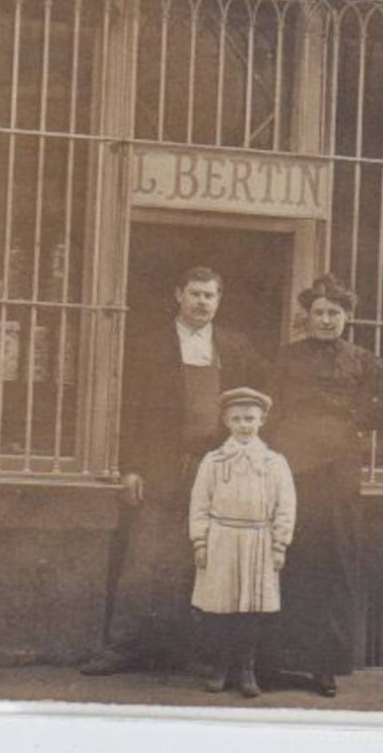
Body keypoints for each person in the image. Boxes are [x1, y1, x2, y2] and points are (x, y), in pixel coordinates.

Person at [80, 266, 271, 676]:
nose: (203, 302)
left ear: (219, 302)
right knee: (144, 558)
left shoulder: (235, 347)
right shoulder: (150, 344)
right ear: (178, 295)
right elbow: (127, 407)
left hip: (214, 468)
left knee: (203, 560)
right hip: (161, 464)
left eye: (211, 296)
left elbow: (267, 393)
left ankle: (192, 654)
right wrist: (130, 466)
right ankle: (122, 649)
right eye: (196, 294)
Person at [266, 274, 383, 697]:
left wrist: (356, 419)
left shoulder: (361, 359)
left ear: (347, 317)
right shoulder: (287, 358)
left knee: (333, 559)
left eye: (335, 313)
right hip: (291, 466)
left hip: (337, 471)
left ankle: (324, 667)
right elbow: (270, 407)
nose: (326, 320)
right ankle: (279, 662)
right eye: (319, 313)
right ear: (307, 317)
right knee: (289, 555)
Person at [188, 387, 296, 699]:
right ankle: (220, 668)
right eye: (237, 419)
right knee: (220, 608)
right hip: (221, 538)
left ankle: (247, 670)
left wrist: (279, 545)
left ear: (262, 420)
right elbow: (199, 503)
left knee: (251, 609)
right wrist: (200, 541)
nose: (244, 425)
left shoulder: (274, 462)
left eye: (250, 418)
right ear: (225, 421)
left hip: (259, 540)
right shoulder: (214, 461)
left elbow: (286, 506)